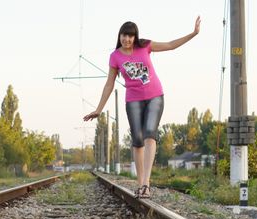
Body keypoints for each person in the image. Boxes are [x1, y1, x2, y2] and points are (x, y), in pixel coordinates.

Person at [83, 17, 201, 198]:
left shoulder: (145, 46)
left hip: (155, 96)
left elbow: (170, 45)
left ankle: (146, 183)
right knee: (137, 141)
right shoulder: (115, 56)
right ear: (119, 36)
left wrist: (193, 34)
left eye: (131, 36)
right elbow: (109, 84)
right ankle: (140, 183)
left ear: (135, 37)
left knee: (149, 134)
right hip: (133, 100)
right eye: (124, 35)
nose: (127, 39)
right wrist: (99, 109)